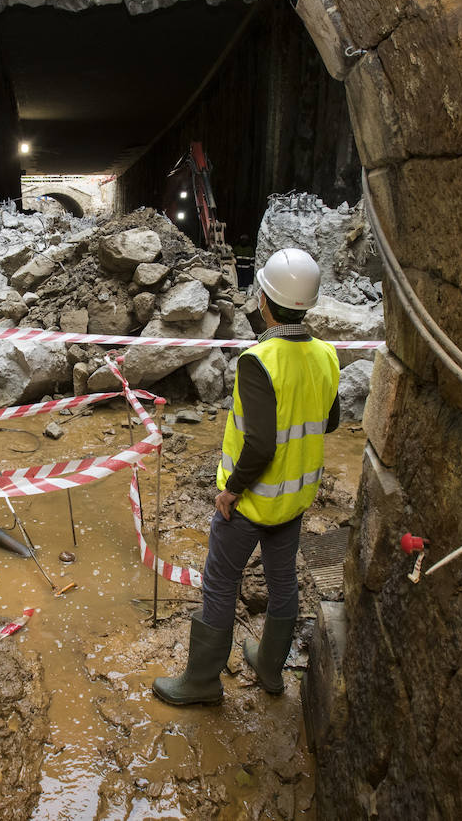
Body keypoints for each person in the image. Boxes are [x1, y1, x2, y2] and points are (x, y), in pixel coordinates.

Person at [153, 248, 341, 705]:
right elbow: (330, 422)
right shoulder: (327, 356)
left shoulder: (259, 361)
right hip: (294, 500)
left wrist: (231, 490)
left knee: (220, 582)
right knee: (283, 582)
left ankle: (200, 683)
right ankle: (271, 668)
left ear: (265, 300)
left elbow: (259, 444)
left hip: (251, 503)